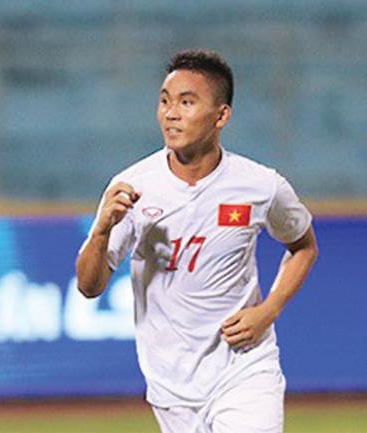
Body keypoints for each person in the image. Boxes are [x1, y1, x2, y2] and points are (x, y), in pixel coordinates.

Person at [76, 49, 319, 433]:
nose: (171, 113)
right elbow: (89, 286)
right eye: (165, 101)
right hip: (171, 383)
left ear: (221, 116)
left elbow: (303, 246)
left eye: (186, 102)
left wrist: (268, 310)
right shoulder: (133, 187)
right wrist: (102, 230)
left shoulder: (261, 185)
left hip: (245, 369)